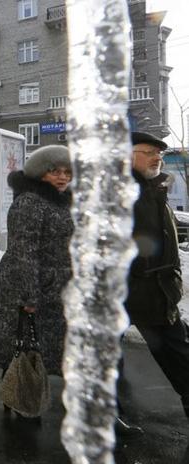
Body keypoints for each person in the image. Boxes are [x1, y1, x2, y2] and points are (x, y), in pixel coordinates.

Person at [0, 145, 73, 413]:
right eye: (55, 171)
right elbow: (24, 252)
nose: (62, 177)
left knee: (35, 344)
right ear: (40, 173)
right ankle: (15, 393)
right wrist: (30, 295)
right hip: (28, 284)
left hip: (53, 284)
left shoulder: (58, 201)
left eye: (67, 172)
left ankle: (24, 393)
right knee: (22, 343)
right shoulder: (30, 202)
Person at [124, 131, 189, 423]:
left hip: (159, 290)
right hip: (129, 291)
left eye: (159, 153)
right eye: (149, 152)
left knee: (176, 352)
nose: (157, 157)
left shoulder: (155, 191)